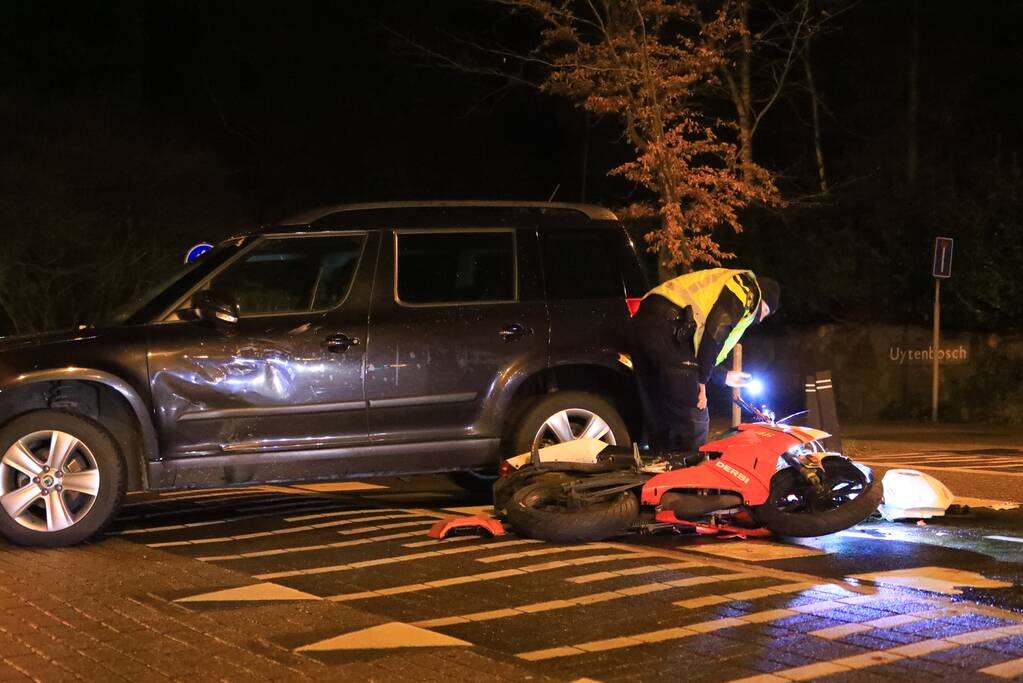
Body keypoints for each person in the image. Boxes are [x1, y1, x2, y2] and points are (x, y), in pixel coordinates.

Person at [630, 268, 779, 452]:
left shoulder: (716, 287)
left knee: (661, 418)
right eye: (764, 310)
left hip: (644, 325)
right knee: (694, 418)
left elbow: (697, 351)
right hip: (671, 327)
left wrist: (724, 376)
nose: (761, 318)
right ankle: (689, 477)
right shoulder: (747, 289)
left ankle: (658, 474)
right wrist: (701, 382)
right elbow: (717, 329)